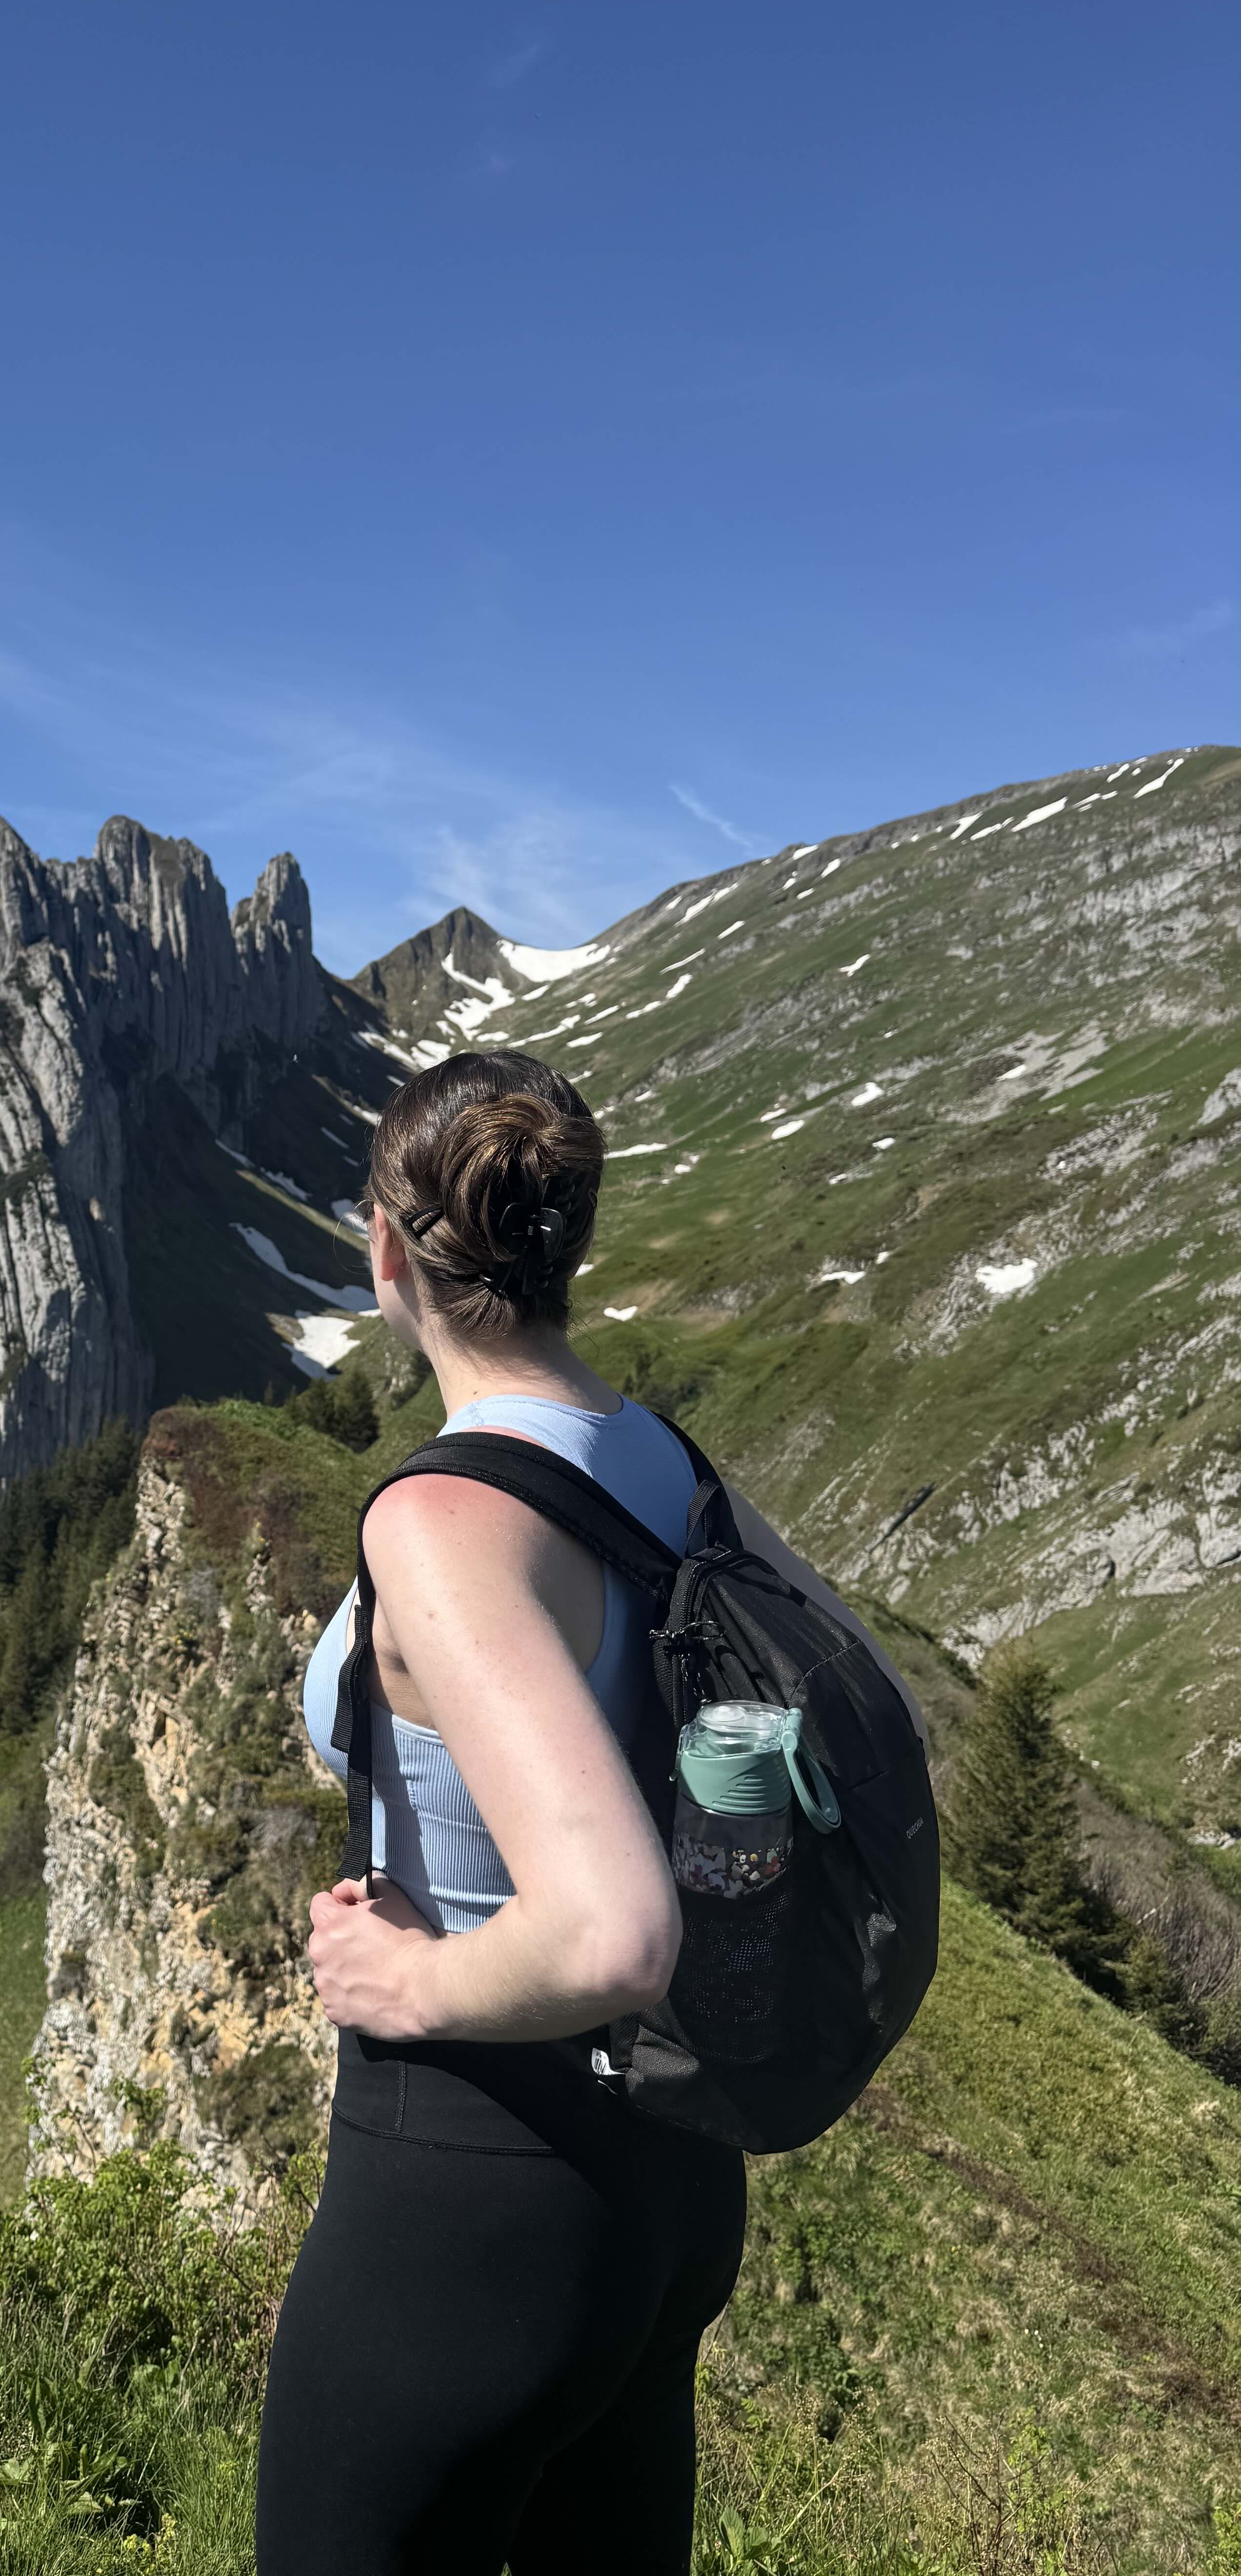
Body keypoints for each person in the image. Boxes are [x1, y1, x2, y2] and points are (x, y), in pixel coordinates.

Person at [257, 1050, 851, 2576]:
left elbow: (607, 1934)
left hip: (469, 2197)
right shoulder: (658, 1460)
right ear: (567, 1238)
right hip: (669, 2185)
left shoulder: (441, 1523)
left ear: (386, 1252)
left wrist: (409, 1981)